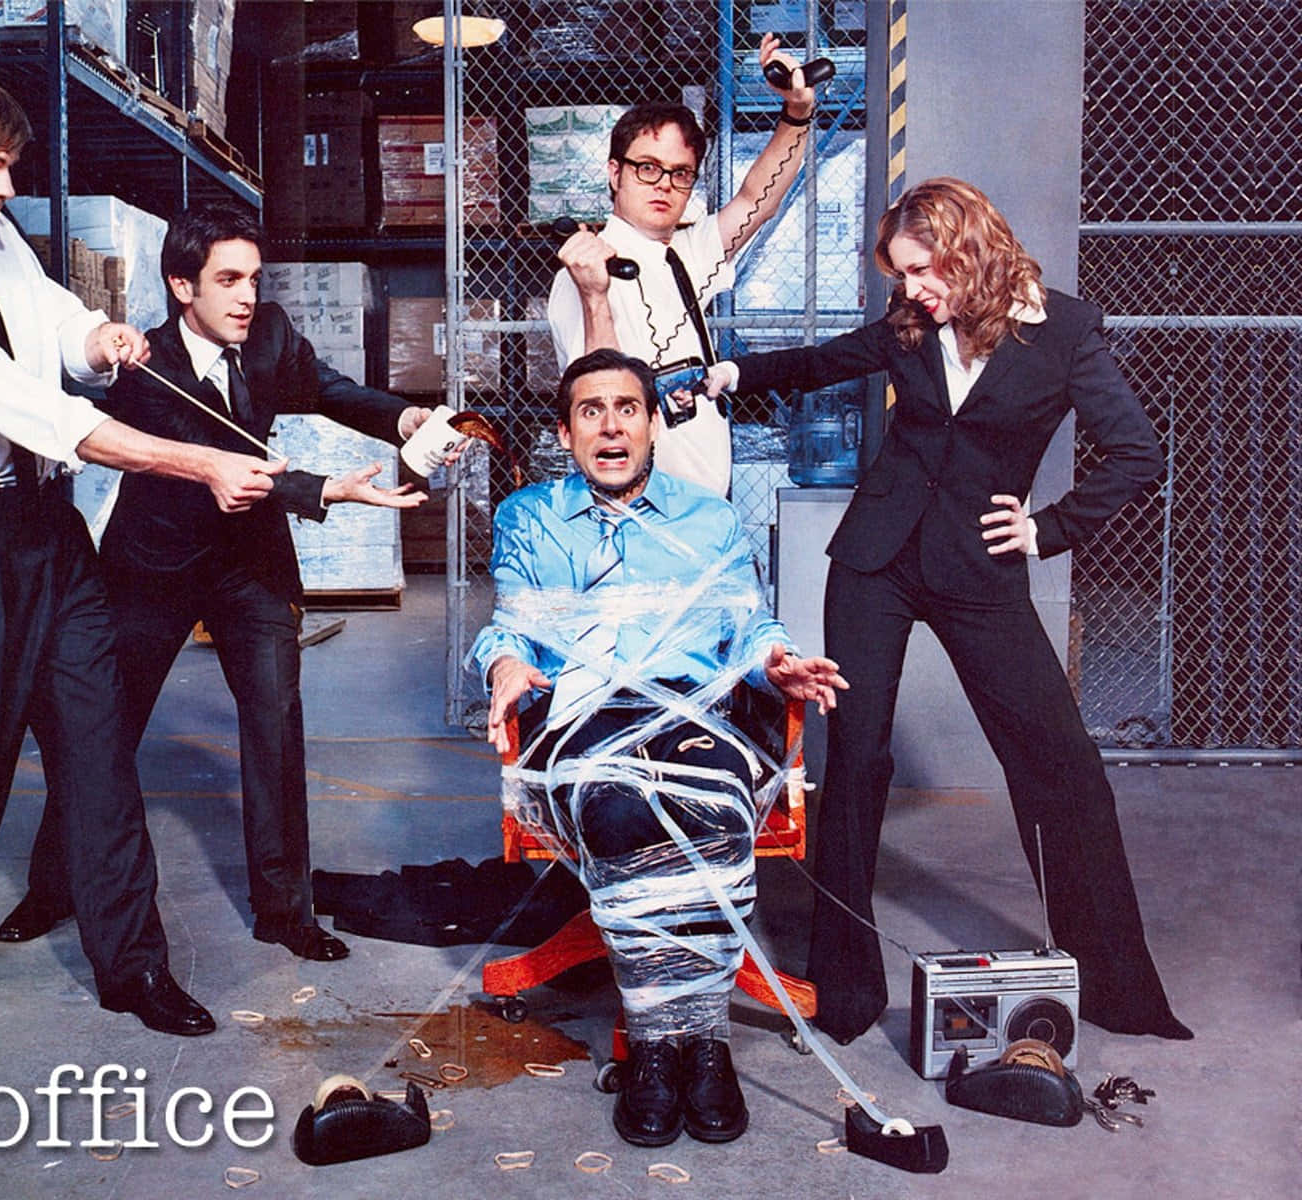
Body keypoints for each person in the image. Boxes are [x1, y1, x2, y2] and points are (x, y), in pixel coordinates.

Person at [706, 176, 1192, 1044]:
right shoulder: (909, 323)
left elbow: (1137, 454)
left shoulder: (1067, 332)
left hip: (978, 571)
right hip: (875, 562)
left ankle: (1120, 988)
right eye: (901, 277)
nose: (913, 292)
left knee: (1063, 764)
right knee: (855, 758)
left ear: (971, 247)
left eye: (924, 270)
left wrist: (1046, 529)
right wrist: (730, 373)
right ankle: (845, 996)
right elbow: (828, 361)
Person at [0, 71, 286, 1034]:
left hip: (47, 534)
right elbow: (34, 411)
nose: (7, 189)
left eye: (10, 168)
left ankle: (134, 969)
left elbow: (46, 315)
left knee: (99, 751)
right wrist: (195, 461)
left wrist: (98, 337)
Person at [0, 205, 436, 963]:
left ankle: (285, 911)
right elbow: (212, 458)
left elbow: (330, 390)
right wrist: (327, 489)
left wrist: (409, 422)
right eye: (227, 280)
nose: (245, 298)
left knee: (275, 724)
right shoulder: (143, 365)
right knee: (101, 732)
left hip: (250, 566)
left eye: (254, 280)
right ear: (179, 287)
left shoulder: (267, 337)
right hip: (154, 565)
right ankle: (53, 886)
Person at [471, 349, 846, 1147]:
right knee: (616, 811)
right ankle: (667, 1043)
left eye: (627, 409)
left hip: (696, 710)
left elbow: (749, 626)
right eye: (590, 411)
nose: (611, 425)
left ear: (651, 425)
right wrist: (505, 667)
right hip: (581, 712)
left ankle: (696, 1044)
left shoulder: (707, 517)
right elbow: (513, 629)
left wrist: (775, 662)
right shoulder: (529, 518)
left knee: (711, 809)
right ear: (567, 434)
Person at [547, 35, 817, 496]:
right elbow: (597, 392)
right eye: (647, 168)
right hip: (638, 499)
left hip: (705, 493)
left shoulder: (686, 252)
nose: (664, 186)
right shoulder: (585, 270)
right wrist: (595, 295)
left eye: (680, 173)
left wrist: (797, 113)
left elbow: (758, 199)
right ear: (616, 172)